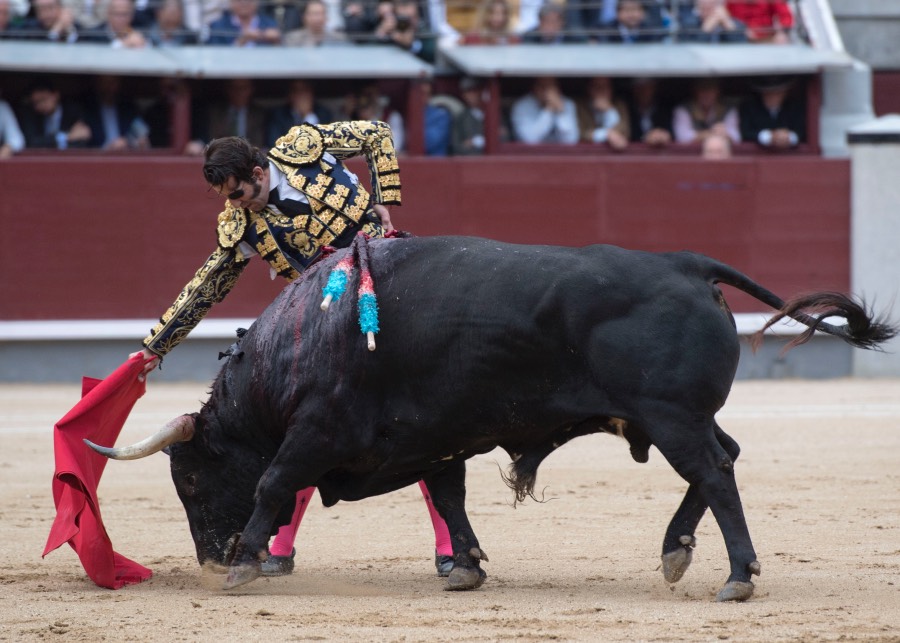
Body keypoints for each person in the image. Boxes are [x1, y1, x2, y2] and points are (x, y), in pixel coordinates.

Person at [134, 120, 454, 578]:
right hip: (326, 321)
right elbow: (206, 284)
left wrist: (385, 199)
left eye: (238, 192)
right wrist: (155, 346)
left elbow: (378, 134)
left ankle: (449, 546)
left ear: (259, 172)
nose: (235, 204)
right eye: (228, 197)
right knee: (302, 429)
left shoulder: (304, 147)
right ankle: (278, 548)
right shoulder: (240, 223)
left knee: (420, 421)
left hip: (393, 289)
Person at [18, 78, 93, 149]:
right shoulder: (31, 115)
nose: (39, 106)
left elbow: (82, 137)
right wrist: (66, 137)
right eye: (35, 103)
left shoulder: (73, 111)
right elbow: (32, 142)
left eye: (43, 99)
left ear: (56, 95)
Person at [83, 74, 151, 150]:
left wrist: (135, 142)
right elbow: (83, 144)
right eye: (105, 82)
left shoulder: (128, 108)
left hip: (126, 157)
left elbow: (141, 134)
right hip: (98, 159)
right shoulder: (87, 109)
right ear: (97, 84)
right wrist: (107, 148)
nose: (108, 87)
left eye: (112, 82)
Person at [739, 75, 805, 150]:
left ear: (784, 93)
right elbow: (746, 133)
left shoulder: (795, 107)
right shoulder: (749, 107)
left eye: (777, 93)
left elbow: (802, 132)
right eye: (768, 92)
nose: (772, 96)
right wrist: (769, 136)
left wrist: (789, 137)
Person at [265, 79, 334, 147]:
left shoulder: (323, 114)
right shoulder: (278, 116)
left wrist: (308, 115)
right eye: (296, 91)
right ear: (290, 95)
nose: (301, 95)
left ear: (311, 93)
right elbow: (274, 145)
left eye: (305, 90)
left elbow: (327, 145)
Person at [510, 76, 578, 145]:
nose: (547, 92)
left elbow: (570, 140)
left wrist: (561, 113)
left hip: (560, 154)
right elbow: (530, 140)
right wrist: (549, 110)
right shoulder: (522, 106)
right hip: (530, 154)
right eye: (542, 87)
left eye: (551, 87)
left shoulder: (566, 103)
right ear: (534, 88)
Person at [672, 76, 740, 146]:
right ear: (695, 91)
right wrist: (713, 133)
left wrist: (726, 135)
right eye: (702, 89)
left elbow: (736, 137)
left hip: (719, 153)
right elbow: (682, 137)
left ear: (717, 91)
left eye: (711, 89)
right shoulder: (683, 109)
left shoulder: (728, 109)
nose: (706, 93)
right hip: (691, 154)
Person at [576, 76, 630, 150]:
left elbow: (625, 132)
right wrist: (606, 135)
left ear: (611, 89)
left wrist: (609, 111)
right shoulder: (581, 106)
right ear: (589, 89)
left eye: (605, 87)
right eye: (597, 87)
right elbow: (580, 134)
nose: (601, 90)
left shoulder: (619, 105)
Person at [205, 0, 279, 46]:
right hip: (230, 70)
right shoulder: (218, 26)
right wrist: (242, 40)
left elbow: (280, 55)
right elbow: (215, 57)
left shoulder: (270, 23)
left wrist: (276, 41)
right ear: (230, 2)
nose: (244, 3)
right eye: (239, 0)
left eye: (249, 0)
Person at [626, 76, 673, 147]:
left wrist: (664, 135)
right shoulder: (628, 110)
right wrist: (645, 138)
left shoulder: (664, 110)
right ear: (633, 90)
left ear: (654, 88)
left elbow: (672, 134)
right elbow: (627, 136)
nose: (643, 92)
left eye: (647, 87)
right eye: (639, 87)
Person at [78, 0, 147, 46]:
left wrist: (143, 43)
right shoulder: (94, 35)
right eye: (117, 14)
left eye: (125, 14)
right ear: (108, 13)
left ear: (132, 15)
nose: (121, 19)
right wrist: (121, 45)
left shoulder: (140, 31)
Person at [282, 0, 348, 46]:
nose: (317, 18)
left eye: (321, 14)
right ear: (304, 17)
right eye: (314, 14)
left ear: (327, 17)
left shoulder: (339, 39)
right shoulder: (292, 39)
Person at [725, 0, 792, 43]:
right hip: (741, 40)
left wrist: (781, 33)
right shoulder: (732, 2)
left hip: (767, 39)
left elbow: (786, 16)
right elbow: (727, 17)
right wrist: (741, 31)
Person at [678, 0, 746, 43]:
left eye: (711, 6)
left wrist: (728, 24)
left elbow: (741, 46)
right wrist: (705, 29)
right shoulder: (687, 24)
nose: (708, 10)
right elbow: (688, 49)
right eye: (704, 7)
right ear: (698, 6)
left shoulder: (737, 24)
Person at [451, 76, 487, 155]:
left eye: (474, 91)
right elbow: (457, 146)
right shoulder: (461, 118)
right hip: (470, 162)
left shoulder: (494, 114)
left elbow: (504, 138)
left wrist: (476, 141)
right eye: (467, 92)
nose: (471, 96)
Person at [599, 0, 665, 43]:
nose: (632, 14)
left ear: (644, 13)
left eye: (636, 10)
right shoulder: (605, 31)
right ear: (617, 12)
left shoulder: (652, 32)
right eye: (627, 10)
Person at [12, 0, 78, 42]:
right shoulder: (30, 29)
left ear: (60, 8)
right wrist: (55, 31)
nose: (47, 14)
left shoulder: (76, 27)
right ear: (36, 12)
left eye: (51, 8)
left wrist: (69, 29)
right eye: (42, 9)